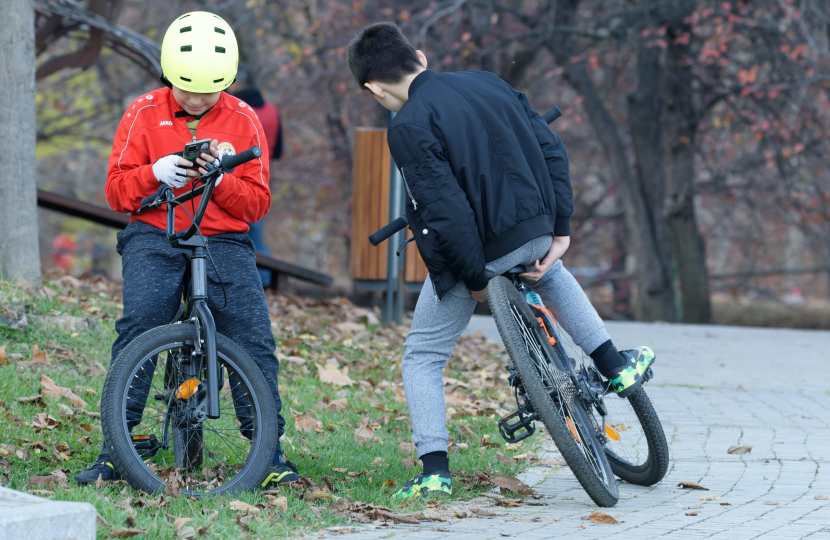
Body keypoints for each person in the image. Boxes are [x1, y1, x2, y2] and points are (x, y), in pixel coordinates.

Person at [347, 22, 655, 500]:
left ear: (373, 87)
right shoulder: (490, 82)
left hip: (482, 254)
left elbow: (444, 209)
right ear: (421, 57)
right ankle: (616, 366)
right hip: (536, 229)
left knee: (423, 356)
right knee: (551, 271)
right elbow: (552, 148)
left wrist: (473, 279)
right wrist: (561, 228)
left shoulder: (407, 124)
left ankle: (434, 471)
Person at [74, 11, 298, 487]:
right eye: (186, 87)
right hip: (155, 232)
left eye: (209, 90)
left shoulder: (244, 118)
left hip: (222, 237)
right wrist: (154, 174)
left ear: (229, 81)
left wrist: (221, 180)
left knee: (252, 335)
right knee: (141, 321)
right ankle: (118, 447)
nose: (197, 99)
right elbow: (117, 193)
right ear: (167, 74)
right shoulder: (142, 111)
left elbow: (257, 205)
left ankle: (269, 453)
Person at [229, 63, 283, 287]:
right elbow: (279, 150)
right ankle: (264, 279)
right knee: (256, 228)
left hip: (233, 172)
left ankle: (256, 280)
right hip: (261, 173)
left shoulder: (234, 108)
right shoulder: (272, 110)